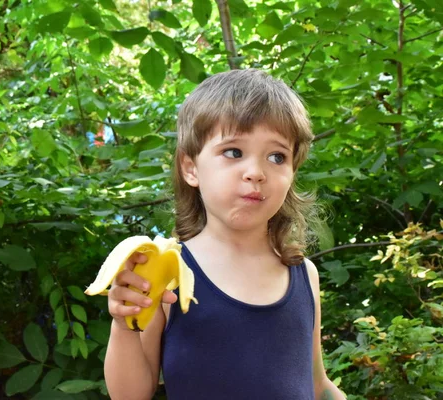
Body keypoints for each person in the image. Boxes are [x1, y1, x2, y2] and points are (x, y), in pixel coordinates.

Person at [104, 69, 346, 400]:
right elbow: (131, 395)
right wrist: (123, 323)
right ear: (190, 168)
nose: (256, 173)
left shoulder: (305, 274)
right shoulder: (167, 270)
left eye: (277, 156)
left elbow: (318, 385)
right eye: (233, 152)